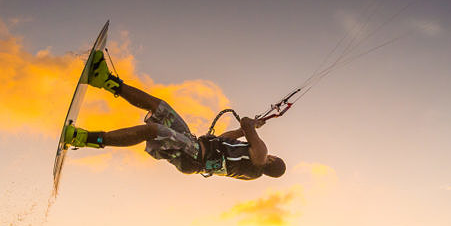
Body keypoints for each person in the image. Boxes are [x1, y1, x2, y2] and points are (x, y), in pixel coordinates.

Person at [63, 51, 286, 180]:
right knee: (160, 107)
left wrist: (253, 124)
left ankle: (84, 139)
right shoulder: (250, 169)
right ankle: (104, 80)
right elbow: (227, 138)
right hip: (193, 146)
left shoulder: (260, 155)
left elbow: (246, 123)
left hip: (194, 155)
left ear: (272, 159)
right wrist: (245, 130)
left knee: (153, 131)